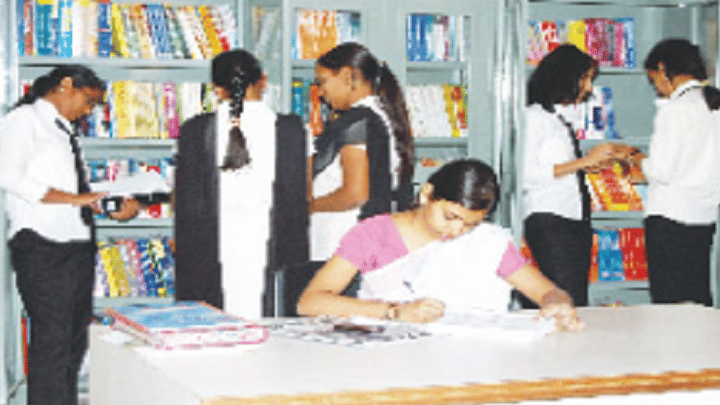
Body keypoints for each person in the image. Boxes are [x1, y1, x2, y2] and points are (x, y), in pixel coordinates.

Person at [297, 159, 584, 331]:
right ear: (427, 194)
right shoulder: (375, 234)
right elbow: (310, 302)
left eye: (470, 224)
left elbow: (547, 291)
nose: (458, 231)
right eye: (451, 217)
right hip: (389, 362)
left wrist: (557, 305)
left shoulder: (486, 243)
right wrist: (394, 311)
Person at [0, 64, 138, 405]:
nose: (88, 111)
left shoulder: (64, 131)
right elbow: (7, 176)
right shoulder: (24, 120)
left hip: (75, 244)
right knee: (53, 343)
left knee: (75, 341)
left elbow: (77, 192)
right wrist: (74, 198)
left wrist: (109, 205)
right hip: (42, 245)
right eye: (88, 101)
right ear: (66, 85)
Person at [173, 49, 308, 318]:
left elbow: (182, 199)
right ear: (263, 81)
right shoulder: (292, 129)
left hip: (208, 249)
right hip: (274, 246)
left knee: (214, 330)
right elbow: (303, 196)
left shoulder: (194, 130)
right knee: (271, 323)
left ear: (216, 88)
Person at [626, 39, 720, 306]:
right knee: (697, 296)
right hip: (704, 216)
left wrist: (634, 156)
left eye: (655, 81)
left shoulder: (675, 110)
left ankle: (671, 350)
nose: (659, 89)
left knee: (669, 300)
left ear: (663, 69)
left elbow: (661, 171)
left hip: (670, 217)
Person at [518, 44, 623, 309]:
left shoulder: (560, 118)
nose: (588, 88)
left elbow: (562, 168)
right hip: (550, 219)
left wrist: (586, 165)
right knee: (564, 298)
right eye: (585, 79)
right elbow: (526, 173)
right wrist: (582, 162)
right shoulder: (534, 118)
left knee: (575, 297)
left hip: (573, 219)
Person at [309, 42, 414, 261]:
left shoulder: (357, 121)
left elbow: (355, 193)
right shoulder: (382, 114)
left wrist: (308, 206)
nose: (320, 92)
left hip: (343, 239)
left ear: (347, 76)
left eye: (323, 81)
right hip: (369, 239)